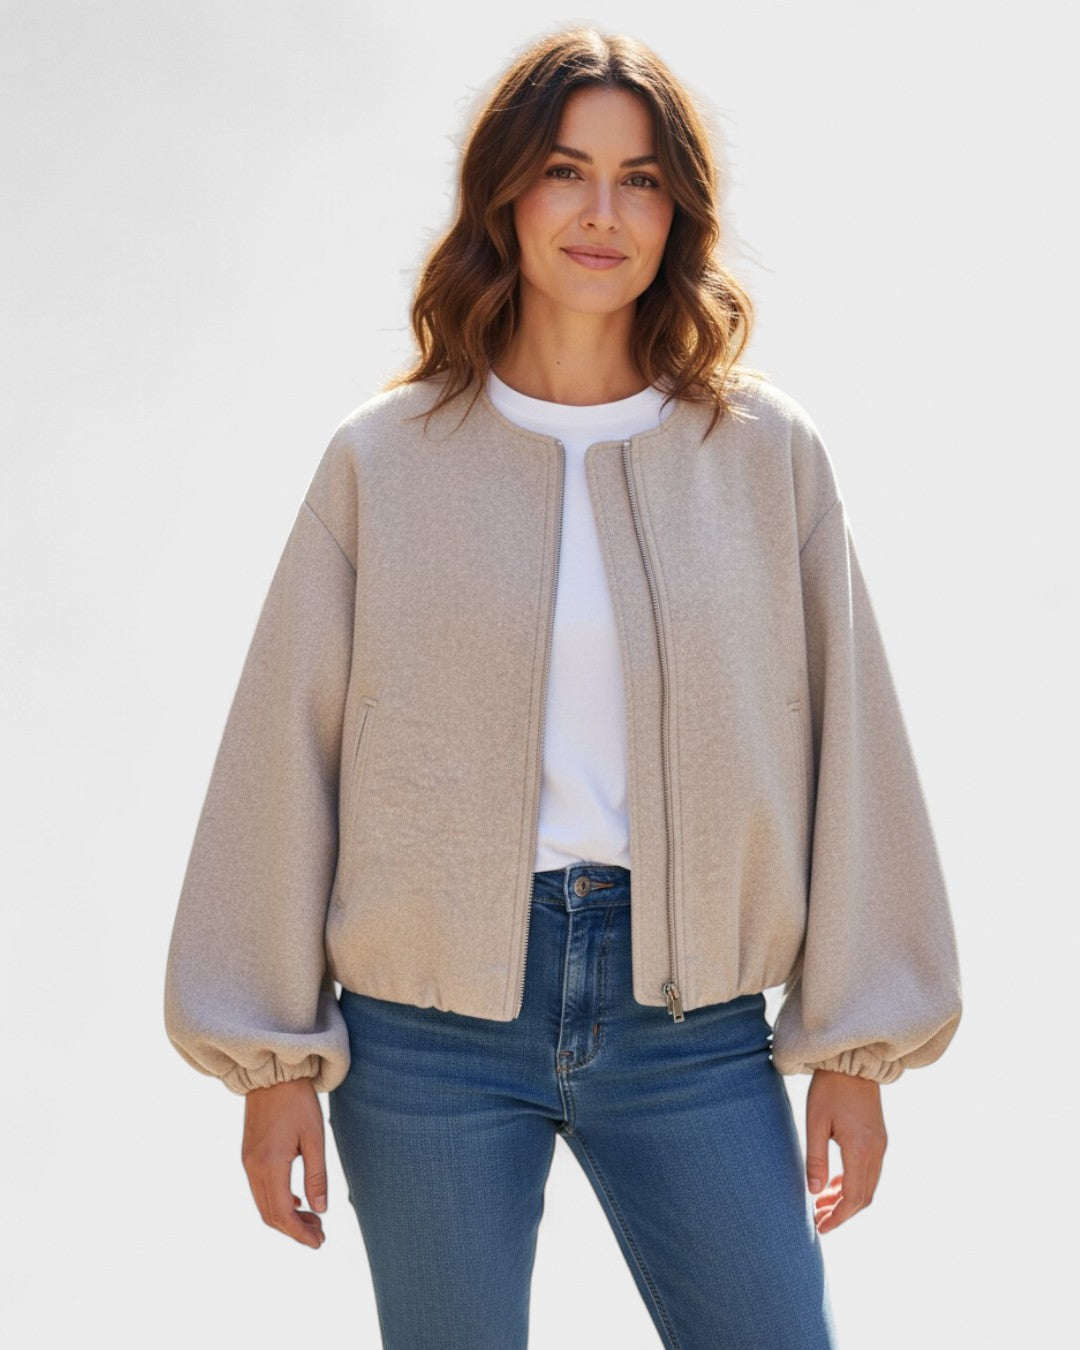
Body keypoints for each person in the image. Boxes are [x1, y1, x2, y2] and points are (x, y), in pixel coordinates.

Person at [164, 25, 962, 1350]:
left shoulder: (763, 456)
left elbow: (854, 744)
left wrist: (852, 1049)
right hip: (426, 1037)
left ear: (678, 212)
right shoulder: (385, 460)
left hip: (690, 1024)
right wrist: (272, 1061)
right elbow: (283, 749)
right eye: (565, 171)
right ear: (505, 195)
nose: (603, 213)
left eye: (640, 180)